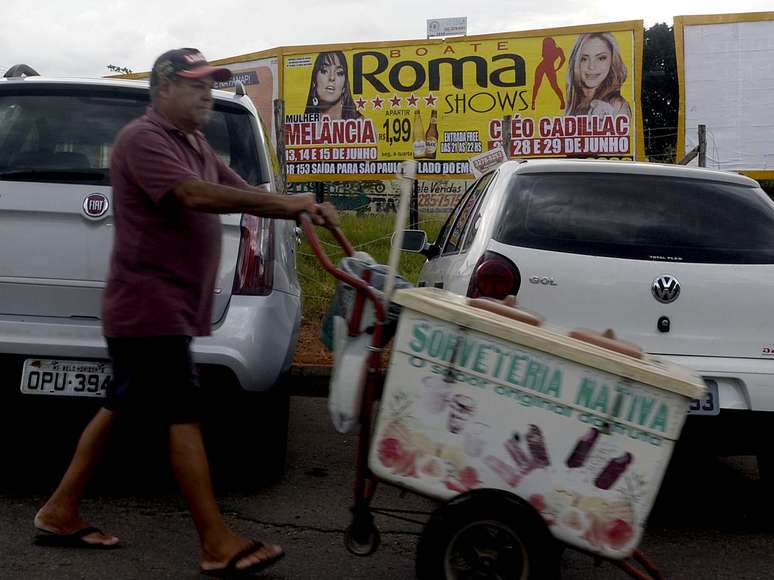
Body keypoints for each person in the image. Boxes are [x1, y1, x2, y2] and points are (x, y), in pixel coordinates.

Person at [32, 48, 338, 577]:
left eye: (210, 85)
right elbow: (193, 195)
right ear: (164, 88)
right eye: (196, 85)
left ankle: (59, 511)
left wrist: (301, 205)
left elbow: (240, 192)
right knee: (182, 414)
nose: (206, 95)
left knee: (120, 404)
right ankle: (216, 542)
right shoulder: (143, 140)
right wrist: (286, 205)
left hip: (162, 306)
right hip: (149, 307)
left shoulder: (194, 143)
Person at [564, 32, 632, 118]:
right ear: (575, 62)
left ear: (612, 61)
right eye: (584, 59)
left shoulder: (616, 106)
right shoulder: (573, 102)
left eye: (601, 58)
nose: (591, 66)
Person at [304, 51, 362, 120]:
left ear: (344, 86)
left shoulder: (362, 122)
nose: (332, 77)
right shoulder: (302, 123)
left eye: (339, 73)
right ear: (314, 81)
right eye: (324, 71)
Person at [531, 37, 566, 110]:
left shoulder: (558, 50)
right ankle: (533, 102)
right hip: (542, 66)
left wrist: (558, 67)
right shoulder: (552, 50)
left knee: (554, 85)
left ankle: (562, 101)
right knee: (536, 85)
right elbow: (562, 59)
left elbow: (563, 59)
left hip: (549, 67)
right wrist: (558, 67)